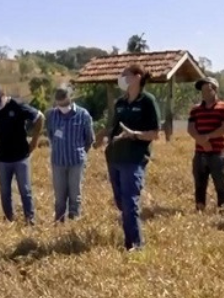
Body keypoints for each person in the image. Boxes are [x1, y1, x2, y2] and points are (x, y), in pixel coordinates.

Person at [99, 64, 162, 251]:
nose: (121, 78)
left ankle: (135, 246)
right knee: (121, 202)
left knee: (129, 202)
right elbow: (114, 128)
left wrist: (134, 134)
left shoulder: (147, 102)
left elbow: (155, 133)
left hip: (133, 159)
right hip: (114, 157)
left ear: (137, 77)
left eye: (124, 75)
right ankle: (130, 236)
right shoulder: (120, 103)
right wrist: (106, 136)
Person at [0, 85, 45, 225]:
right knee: (5, 192)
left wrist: (34, 141)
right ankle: (9, 220)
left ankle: (30, 220)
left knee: (25, 190)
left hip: (21, 156)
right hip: (2, 158)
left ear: (4, 95)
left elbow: (40, 117)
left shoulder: (17, 106)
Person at [45, 84, 95, 222]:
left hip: (76, 162)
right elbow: (50, 135)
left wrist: (81, 153)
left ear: (70, 99)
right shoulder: (52, 115)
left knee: (75, 195)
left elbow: (89, 139)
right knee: (60, 197)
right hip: (58, 161)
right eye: (60, 104)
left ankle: (74, 222)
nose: (63, 106)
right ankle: (59, 222)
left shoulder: (83, 115)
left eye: (65, 103)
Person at [187, 77, 224, 211]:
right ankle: (200, 209)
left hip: (217, 152)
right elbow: (191, 128)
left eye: (208, 89)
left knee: (220, 183)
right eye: (203, 90)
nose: (205, 92)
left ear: (215, 89)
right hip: (200, 152)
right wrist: (200, 140)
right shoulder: (195, 109)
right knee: (199, 183)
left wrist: (207, 137)